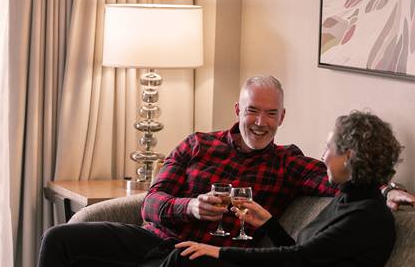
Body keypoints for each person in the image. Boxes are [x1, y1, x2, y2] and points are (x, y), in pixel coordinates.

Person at [37, 75, 414, 267]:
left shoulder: (289, 162)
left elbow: (346, 183)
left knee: (185, 261)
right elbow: (152, 202)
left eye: (271, 113)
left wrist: (387, 189)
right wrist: (190, 208)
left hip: (206, 256)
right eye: (253, 111)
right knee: (59, 239)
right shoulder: (197, 144)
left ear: (282, 117)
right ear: (238, 110)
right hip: (156, 237)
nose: (261, 122)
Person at [161, 111, 401, 267]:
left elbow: (297, 259)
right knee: (184, 257)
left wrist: (219, 252)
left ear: (348, 156)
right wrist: (268, 224)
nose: (323, 156)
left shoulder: (366, 217)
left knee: (186, 260)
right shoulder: (348, 199)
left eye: (329, 149)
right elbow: (305, 254)